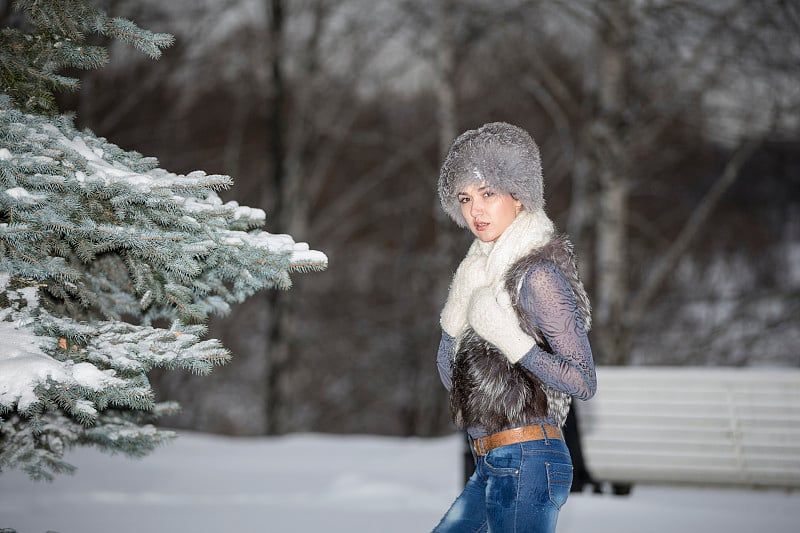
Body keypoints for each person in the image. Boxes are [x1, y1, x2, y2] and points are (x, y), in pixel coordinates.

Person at [433, 122, 597, 533]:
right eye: (466, 198)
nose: (476, 210)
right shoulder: (478, 276)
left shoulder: (538, 276)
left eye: (488, 194)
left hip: (530, 460)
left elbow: (583, 380)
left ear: (519, 196)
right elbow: (453, 382)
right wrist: (457, 314)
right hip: (490, 461)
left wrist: (510, 339)